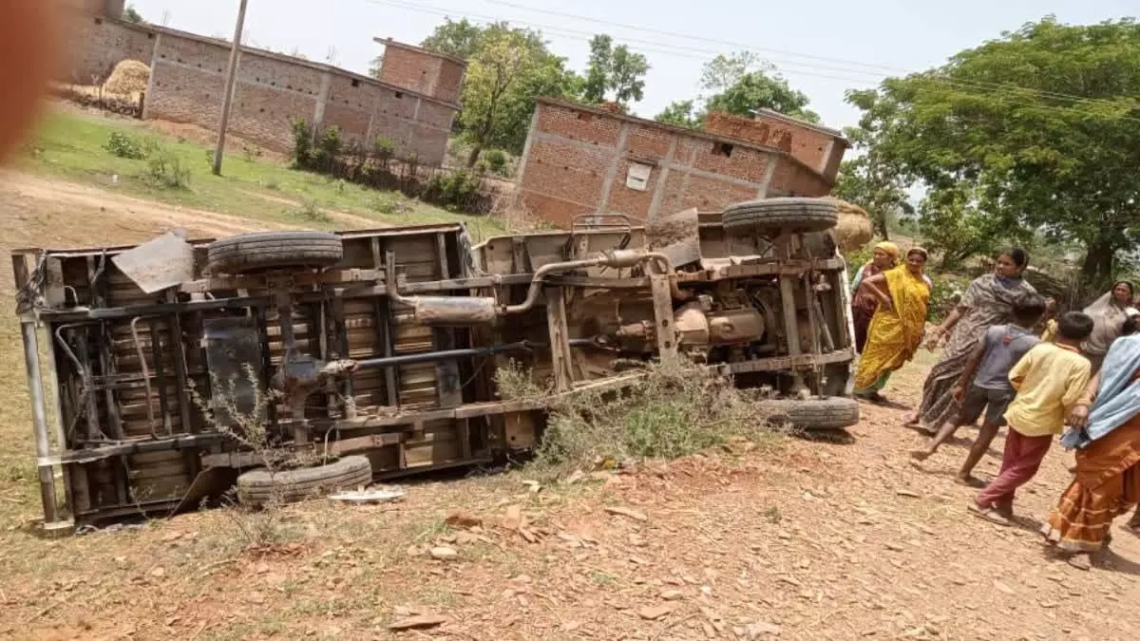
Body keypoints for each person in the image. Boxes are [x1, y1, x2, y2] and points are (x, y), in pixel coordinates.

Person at [968, 312, 1094, 526]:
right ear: (1086, 337)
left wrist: (1027, 391)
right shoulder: (1081, 364)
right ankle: (983, 499)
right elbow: (1071, 397)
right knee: (1026, 467)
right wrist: (1069, 415)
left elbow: (1014, 375)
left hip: (1020, 411)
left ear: (1059, 330)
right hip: (1042, 420)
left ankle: (1004, 506)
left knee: (1011, 463)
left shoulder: (1040, 349)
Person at [911, 294, 1048, 485]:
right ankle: (963, 473)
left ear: (1012, 310)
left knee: (957, 416)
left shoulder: (994, 331)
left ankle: (932, 446)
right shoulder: (1035, 344)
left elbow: (974, 356)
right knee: (987, 432)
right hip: (1005, 391)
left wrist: (962, 383)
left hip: (980, 382)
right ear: (1040, 317)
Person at [904, 248, 1038, 432]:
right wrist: (940, 330)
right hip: (963, 335)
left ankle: (938, 423)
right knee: (938, 373)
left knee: (964, 383)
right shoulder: (982, 282)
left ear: (1020, 267)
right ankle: (921, 411)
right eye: (998, 262)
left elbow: (1023, 323)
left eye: (1007, 264)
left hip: (990, 341)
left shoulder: (1026, 293)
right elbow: (961, 308)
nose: (1000, 266)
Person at [1041, 330, 1140, 569]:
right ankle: (1079, 543)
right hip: (1114, 426)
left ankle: (1100, 530)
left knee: (1130, 490)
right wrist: (1084, 401)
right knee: (1100, 485)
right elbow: (1104, 374)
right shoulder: (1128, 345)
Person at [853, 248, 932, 403]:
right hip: (888, 323)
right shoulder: (896, 274)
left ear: (924, 263)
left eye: (919, 261)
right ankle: (860, 390)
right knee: (876, 356)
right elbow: (867, 282)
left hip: (907, 327)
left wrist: (920, 327)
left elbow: (923, 305)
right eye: (912, 259)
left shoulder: (924, 281)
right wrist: (882, 297)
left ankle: (873, 390)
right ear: (906, 259)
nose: (914, 263)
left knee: (891, 360)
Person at [850, 241, 900, 353]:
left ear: (891, 258)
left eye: (880, 254)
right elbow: (853, 289)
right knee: (858, 344)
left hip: (882, 315)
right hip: (860, 313)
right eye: (875, 253)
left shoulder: (896, 274)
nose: (876, 257)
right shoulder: (864, 269)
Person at [1081, 281, 1136, 374]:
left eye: (1124, 290)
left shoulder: (1131, 313)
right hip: (1085, 350)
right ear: (1113, 291)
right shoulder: (1100, 307)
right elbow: (1086, 316)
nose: (1120, 292)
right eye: (1118, 289)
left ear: (1130, 295)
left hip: (1108, 355)